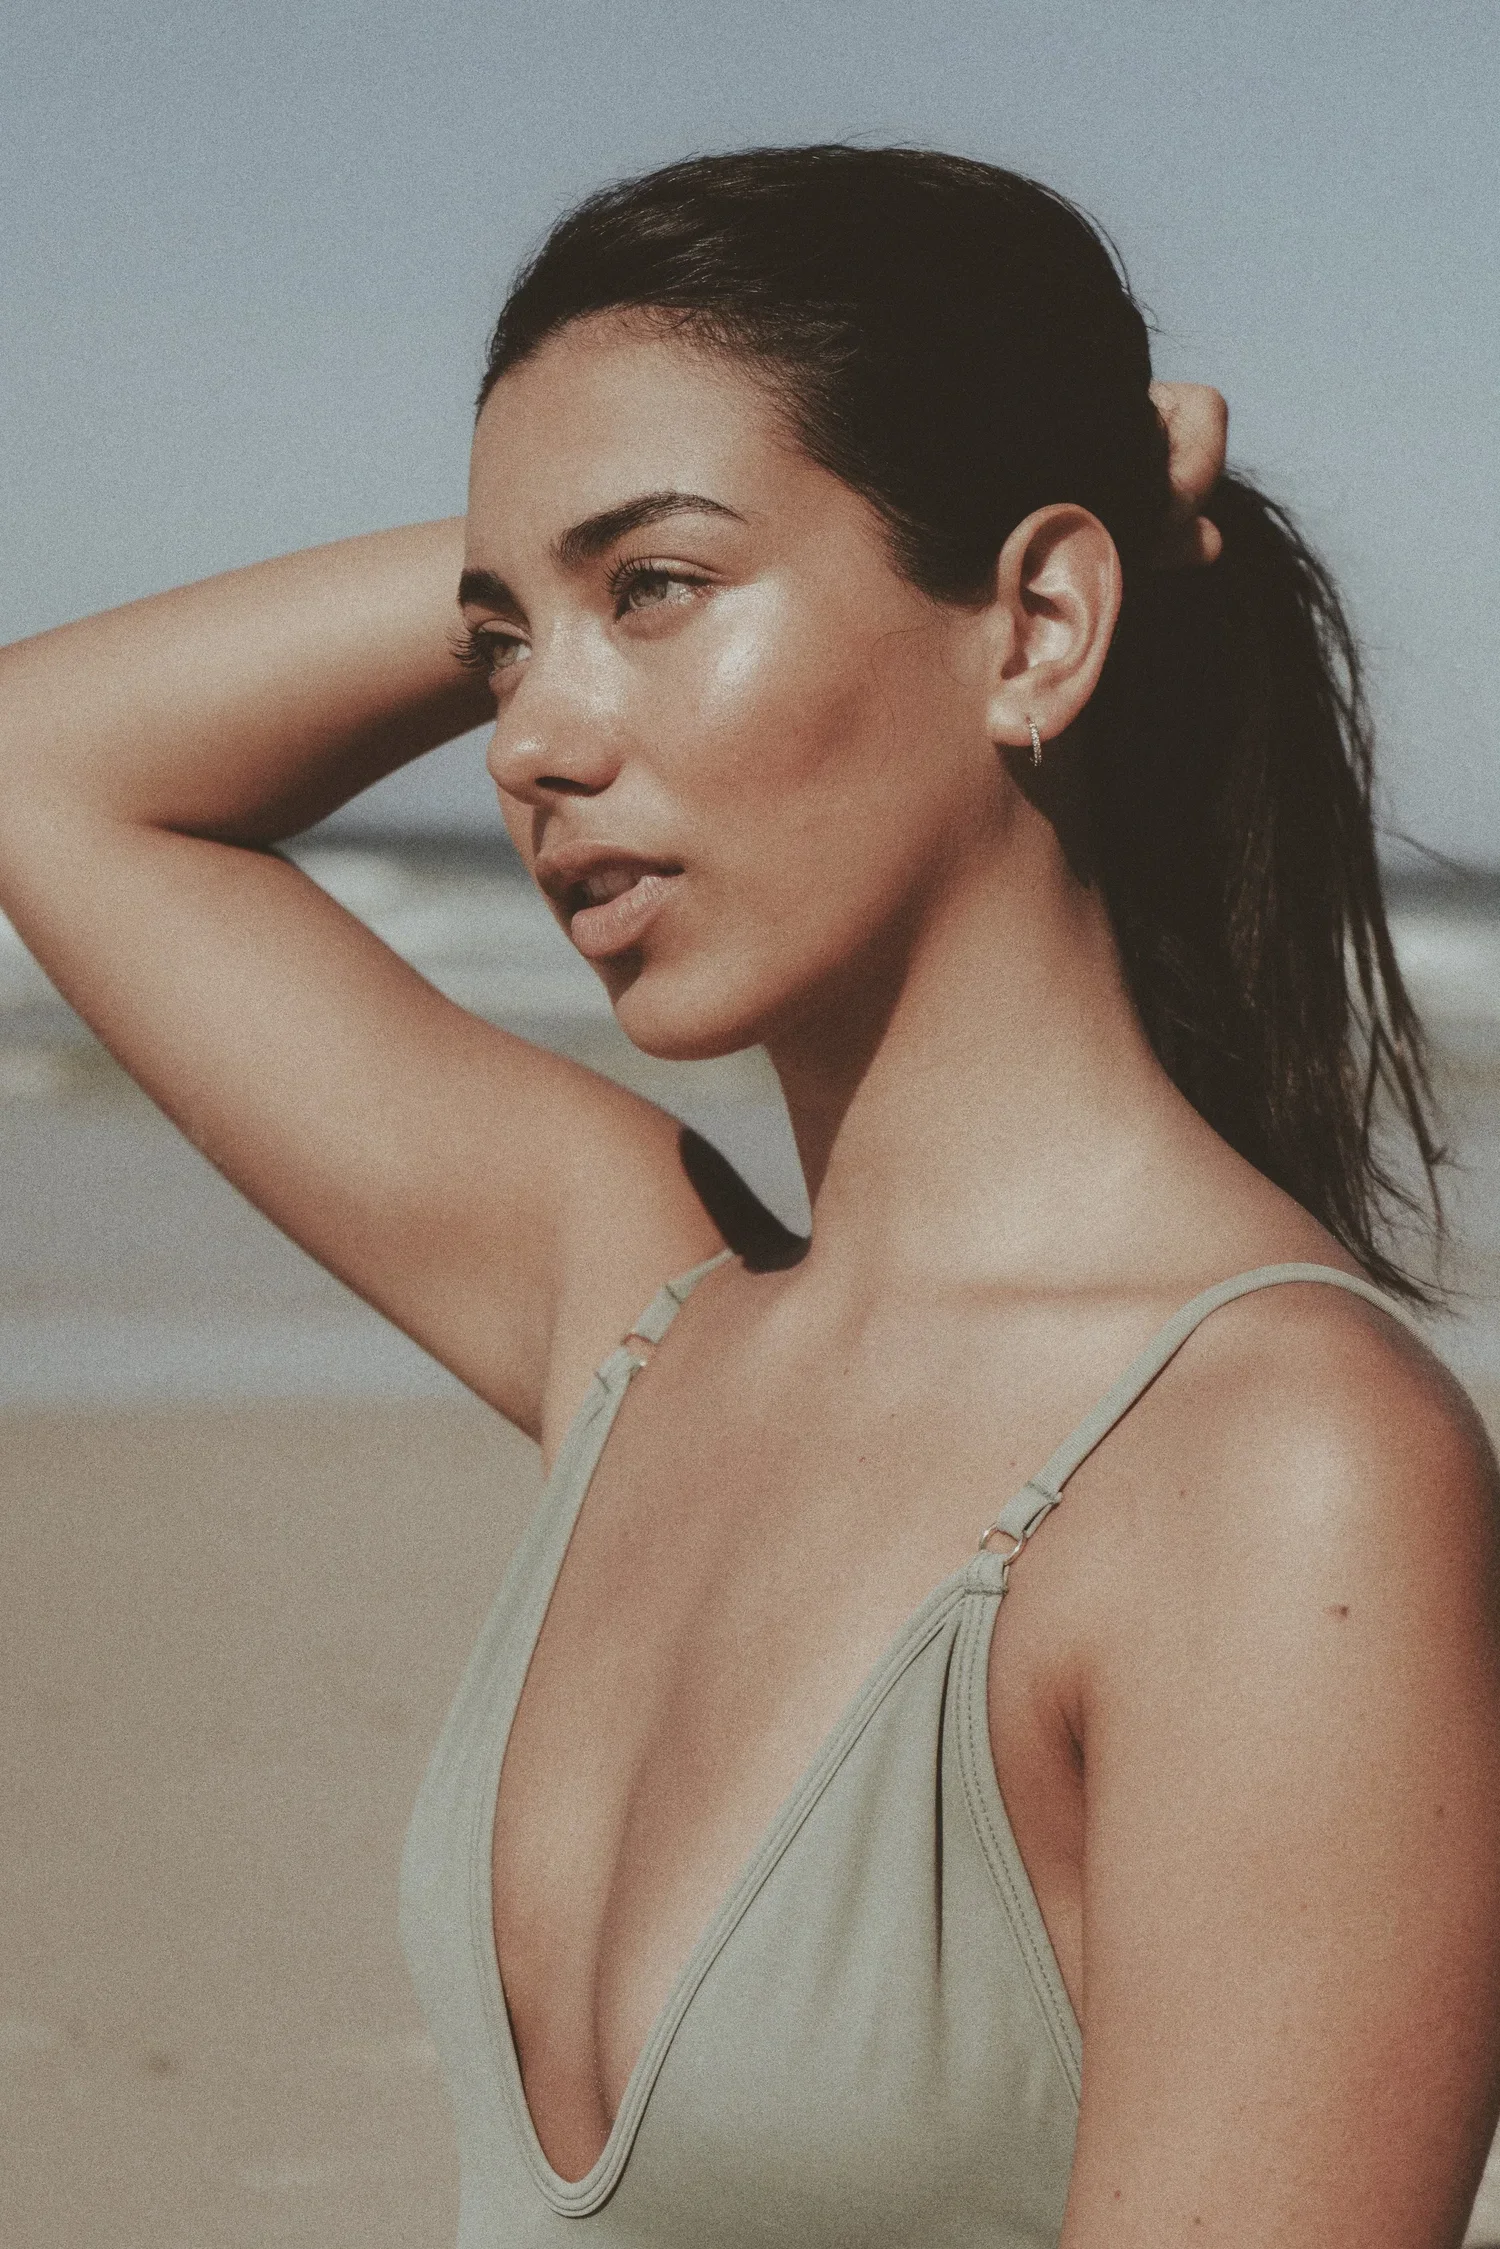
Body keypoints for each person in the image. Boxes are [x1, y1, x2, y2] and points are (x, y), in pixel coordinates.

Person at [2, 144, 1497, 2248]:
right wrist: (614, 547)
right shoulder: (641, 1309)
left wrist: (1015, 483)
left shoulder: (1275, 1469)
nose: (528, 736)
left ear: (1044, 619)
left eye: (657, 591)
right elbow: (42, 763)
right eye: (501, 640)